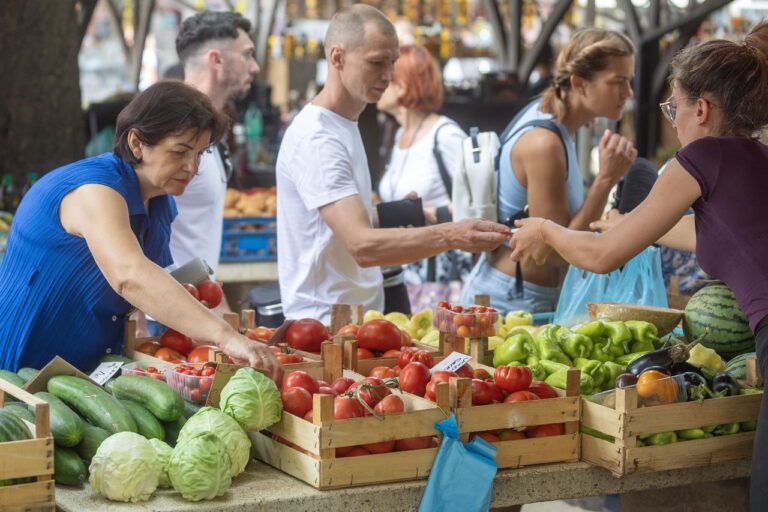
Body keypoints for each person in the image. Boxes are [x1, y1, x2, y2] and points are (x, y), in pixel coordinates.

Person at [509, 22, 768, 511]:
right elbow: (701, 235)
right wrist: (623, 223)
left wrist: (543, 228)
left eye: (673, 108)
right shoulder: (755, 157)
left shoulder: (701, 156)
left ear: (702, 109)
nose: (672, 121)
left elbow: (602, 259)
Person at [0, 81, 281, 381]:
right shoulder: (96, 190)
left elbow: (138, 301)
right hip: (19, 367)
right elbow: (130, 276)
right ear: (137, 144)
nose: (192, 167)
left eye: (199, 154)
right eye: (180, 152)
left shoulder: (159, 203)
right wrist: (224, 335)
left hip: (82, 374)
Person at [275, 4, 511, 324]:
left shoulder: (343, 124)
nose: (387, 76)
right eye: (376, 63)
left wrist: (404, 214)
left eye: (392, 62)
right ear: (337, 58)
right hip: (326, 326)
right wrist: (451, 235)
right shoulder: (318, 137)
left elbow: (330, 223)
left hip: (356, 319)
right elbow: (360, 245)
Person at [459, 28, 637, 314]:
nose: (628, 92)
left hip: (519, 294)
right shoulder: (544, 143)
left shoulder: (553, 122)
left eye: (629, 80)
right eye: (619, 81)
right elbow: (555, 253)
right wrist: (605, 181)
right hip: (513, 302)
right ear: (580, 83)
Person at [376, 44, 474, 309]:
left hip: (441, 275)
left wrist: (429, 213)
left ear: (404, 86)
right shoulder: (397, 136)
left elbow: (478, 202)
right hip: (404, 271)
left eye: (387, 76)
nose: (379, 81)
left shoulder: (445, 136)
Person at [171, 10, 259, 280]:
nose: (254, 67)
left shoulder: (211, 128)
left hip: (192, 306)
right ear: (216, 60)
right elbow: (137, 231)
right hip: (163, 317)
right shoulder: (173, 130)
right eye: (246, 54)